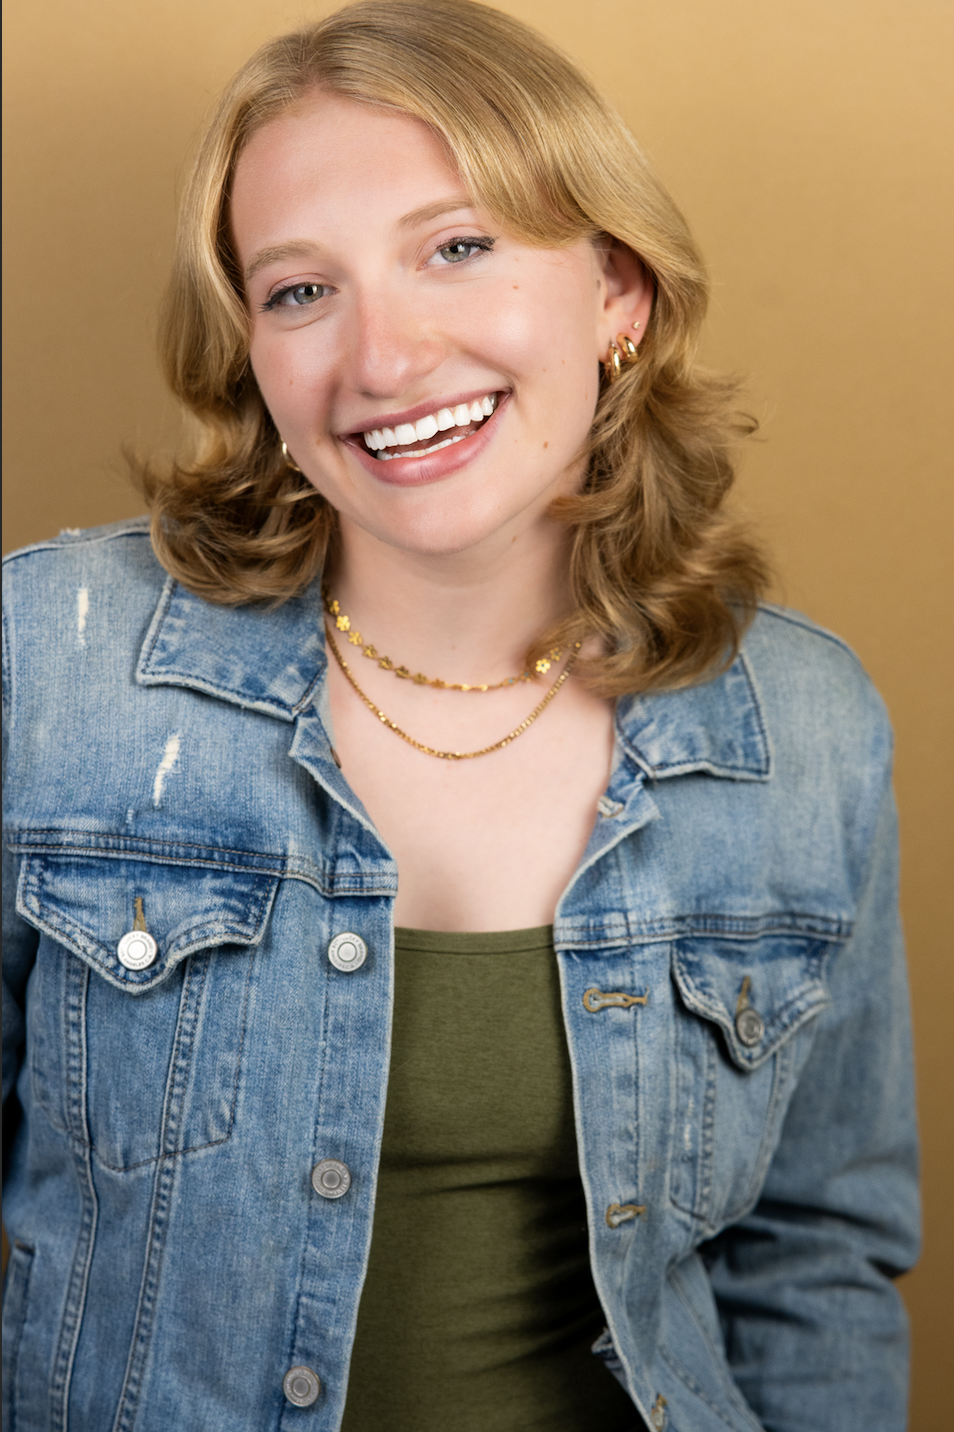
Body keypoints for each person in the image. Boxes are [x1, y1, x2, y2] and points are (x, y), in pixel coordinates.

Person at [1, 2, 919, 1429]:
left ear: (615, 290)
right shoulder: (51, 667)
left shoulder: (801, 727)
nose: (382, 357)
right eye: (300, 291)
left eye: (456, 247)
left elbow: (813, 1263)